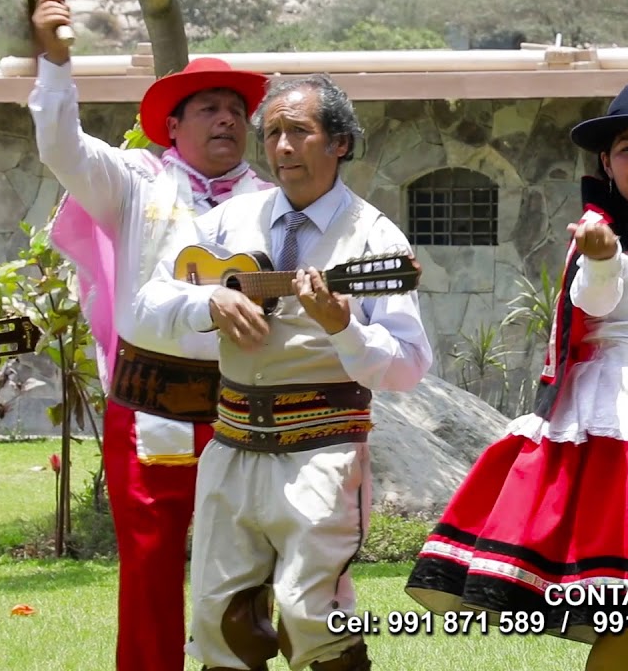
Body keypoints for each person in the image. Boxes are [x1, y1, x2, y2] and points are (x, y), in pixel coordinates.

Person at [405, 82, 628, 670]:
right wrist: (601, 259)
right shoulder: (600, 234)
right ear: (607, 162)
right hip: (622, 436)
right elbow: (591, 303)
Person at [131, 73, 432, 671]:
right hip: (232, 444)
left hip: (323, 450)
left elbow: (408, 366)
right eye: (272, 134)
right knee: (222, 623)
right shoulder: (227, 222)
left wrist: (344, 328)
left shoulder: (374, 238)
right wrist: (210, 302)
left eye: (299, 131)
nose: (282, 147)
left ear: (340, 142)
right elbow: (146, 306)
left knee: (311, 618)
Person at [28, 0, 270, 671]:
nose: (227, 119)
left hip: (245, 406)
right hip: (149, 404)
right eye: (210, 108)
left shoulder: (273, 202)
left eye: (236, 110)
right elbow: (61, 148)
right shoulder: (134, 182)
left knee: (244, 571)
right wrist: (55, 63)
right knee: (150, 568)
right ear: (173, 124)